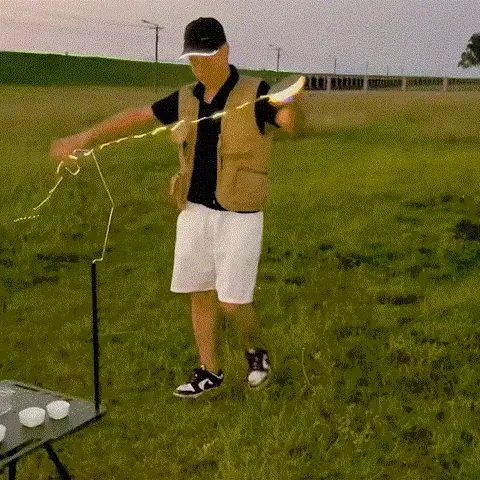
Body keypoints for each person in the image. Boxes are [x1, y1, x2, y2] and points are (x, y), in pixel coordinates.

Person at [50, 17, 296, 399]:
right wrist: (84, 136)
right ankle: (209, 371)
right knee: (199, 292)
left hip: (239, 214)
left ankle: (255, 353)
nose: (199, 65)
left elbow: (287, 123)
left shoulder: (255, 92)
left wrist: (292, 107)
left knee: (233, 302)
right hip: (194, 211)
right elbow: (136, 116)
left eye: (206, 56)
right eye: (193, 58)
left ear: (225, 52)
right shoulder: (185, 98)